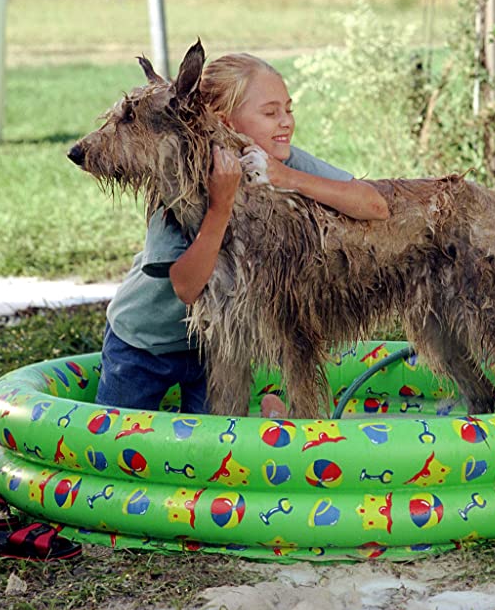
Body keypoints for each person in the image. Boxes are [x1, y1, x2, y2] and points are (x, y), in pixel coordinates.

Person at [94, 52, 388, 417]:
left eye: (288, 109)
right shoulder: (180, 182)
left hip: (212, 347)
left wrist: (286, 177)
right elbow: (187, 288)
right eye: (269, 113)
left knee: (212, 453)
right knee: (112, 435)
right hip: (144, 341)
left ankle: (274, 416)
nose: (285, 123)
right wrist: (221, 204)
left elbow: (374, 204)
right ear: (223, 121)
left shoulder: (282, 159)